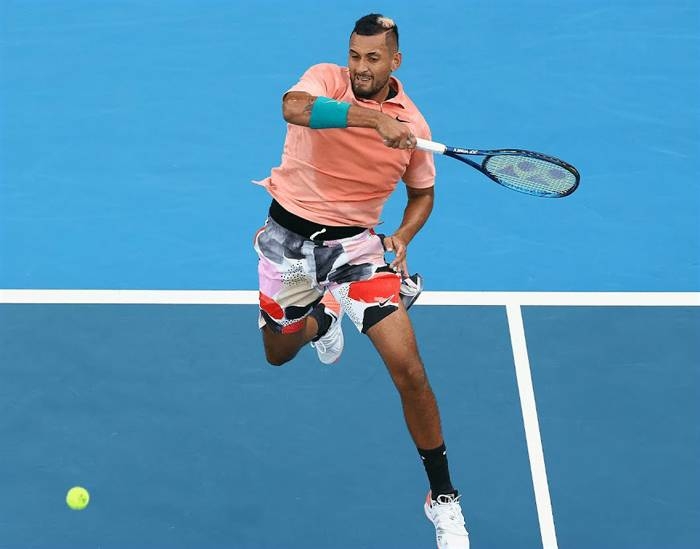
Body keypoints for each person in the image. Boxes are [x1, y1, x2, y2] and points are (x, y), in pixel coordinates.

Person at [253, 13, 469, 549]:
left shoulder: (414, 126)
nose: (361, 67)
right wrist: (372, 122)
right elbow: (293, 109)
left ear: (396, 61)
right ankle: (322, 316)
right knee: (278, 352)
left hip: (356, 251)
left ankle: (442, 498)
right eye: (356, 55)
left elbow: (422, 195)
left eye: (373, 58)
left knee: (409, 369)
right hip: (292, 245)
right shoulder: (325, 80)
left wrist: (403, 235)